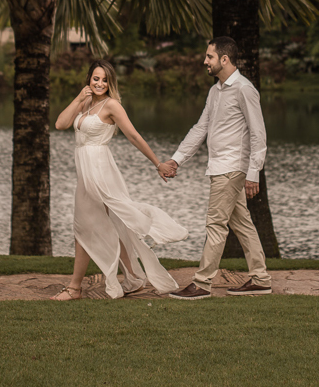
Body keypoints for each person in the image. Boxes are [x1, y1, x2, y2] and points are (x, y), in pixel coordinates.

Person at [52, 60, 187, 300]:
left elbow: (133, 136)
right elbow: (60, 124)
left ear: (110, 82)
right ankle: (134, 278)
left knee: (84, 225)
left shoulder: (111, 105)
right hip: (85, 172)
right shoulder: (84, 101)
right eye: (96, 78)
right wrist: (77, 98)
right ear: (89, 79)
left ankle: (74, 288)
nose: (100, 83)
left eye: (104, 80)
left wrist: (157, 163)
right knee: (114, 223)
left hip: (100, 170)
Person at [158, 37, 271, 299]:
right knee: (242, 225)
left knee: (215, 224)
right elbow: (201, 128)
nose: (204, 61)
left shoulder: (244, 89)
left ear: (224, 59)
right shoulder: (215, 91)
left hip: (231, 168)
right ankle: (261, 278)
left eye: (209, 56)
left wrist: (253, 172)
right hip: (219, 166)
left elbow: (258, 134)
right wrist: (177, 159)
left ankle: (202, 283)